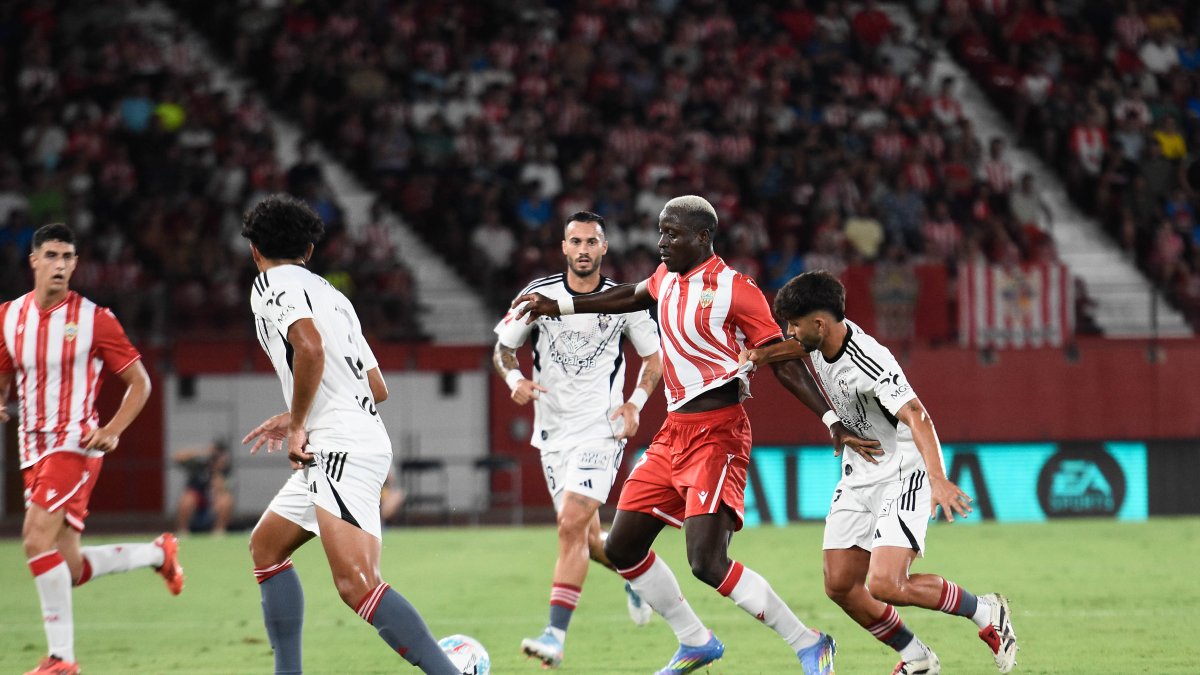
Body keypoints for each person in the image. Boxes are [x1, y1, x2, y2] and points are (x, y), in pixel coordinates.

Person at [513, 196, 879, 675]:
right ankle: (695, 640)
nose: (661, 242)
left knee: (707, 562)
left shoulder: (736, 290)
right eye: (661, 232)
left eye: (672, 234)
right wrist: (559, 304)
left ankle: (809, 642)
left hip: (718, 435)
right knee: (621, 548)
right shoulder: (666, 278)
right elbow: (627, 295)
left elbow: (785, 360)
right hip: (672, 433)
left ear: (702, 238)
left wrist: (831, 420)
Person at [741, 270, 1019, 674]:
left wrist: (938, 479)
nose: (789, 332)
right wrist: (762, 355)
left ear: (818, 323)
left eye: (794, 325)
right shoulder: (818, 339)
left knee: (887, 585)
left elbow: (916, 414)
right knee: (839, 585)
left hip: (904, 471)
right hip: (860, 472)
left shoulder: (870, 362)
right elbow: (797, 349)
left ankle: (986, 612)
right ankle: (917, 657)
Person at [239, 194, 459, 675]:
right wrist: (297, 413)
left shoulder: (269, 284)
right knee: (267, 547)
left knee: (357, 583)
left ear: (255, 250)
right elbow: (376, 386)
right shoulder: (335, 297)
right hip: (348, 438)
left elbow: (310, 348)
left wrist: (297, 423)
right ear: (310, 251)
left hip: (336, 446)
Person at [0, 223, 183, 675]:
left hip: (75, 446)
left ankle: (62, 659)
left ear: (76, 263)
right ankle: (159, 554)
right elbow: (5, 368)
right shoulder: (8, 315)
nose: (61, 265)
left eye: (68, 257)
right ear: (34, 260)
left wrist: (114, 429)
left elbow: (139, 382)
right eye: (52, 256)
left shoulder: (94, 318)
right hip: (31, 449)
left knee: (34, 539)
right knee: (69, 565)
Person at [494, 211, 663, 668]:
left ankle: (554, 635)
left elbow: (654, 359)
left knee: (569, 523)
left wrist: (635, 403)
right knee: (587, 541)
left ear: (604, 248)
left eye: (592, 241)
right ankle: (633, 573)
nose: (584, 249)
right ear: (564, 248)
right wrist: (513, 378)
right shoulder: (536, 295)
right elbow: (504, 347)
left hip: (601, 429)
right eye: (576, 241)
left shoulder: (625, 299)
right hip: (552, 432)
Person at [173, 439, 234, 535]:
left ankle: (219, 532)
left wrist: (216, 470)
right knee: (187, 499)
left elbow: (222, 489)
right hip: (197, 500)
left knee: (226, 500)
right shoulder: (199, 465)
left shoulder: (224, 470)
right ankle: (183, 531)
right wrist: (202, 453)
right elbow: (177, 457)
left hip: (213, 502)